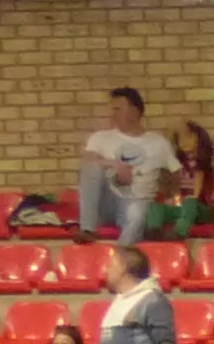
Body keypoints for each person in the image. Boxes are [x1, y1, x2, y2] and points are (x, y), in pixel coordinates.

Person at [75, 87, 178, 246]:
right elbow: (87, 164)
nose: (113, 113)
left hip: (137, 200)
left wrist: (170, 197)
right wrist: (116, 165)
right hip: (107, 200)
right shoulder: (100, 138)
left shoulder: (158, 142)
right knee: (92, 168)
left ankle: (121, 262)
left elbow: (176, 173)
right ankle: (87, 229)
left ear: (135, 111)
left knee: (136, 215)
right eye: (113, 109)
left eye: (118, 109)